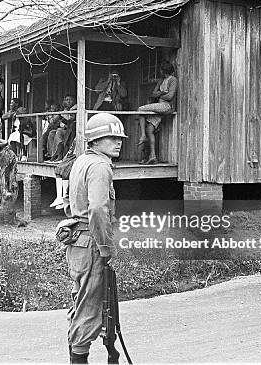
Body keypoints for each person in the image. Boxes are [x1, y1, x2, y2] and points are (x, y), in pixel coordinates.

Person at [64, 112, 126, 363]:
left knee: (82, 302)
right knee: (89, 307)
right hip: (90, 242)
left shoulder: (82, 161)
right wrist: (106, 248)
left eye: (118, 137)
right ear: (95, 140)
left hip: (78, 241)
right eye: (110, 137)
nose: (117, 141)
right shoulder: (100, 166)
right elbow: (98, 210)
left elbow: (70, 202)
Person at [137, 61, 178, 164]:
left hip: (166, 106)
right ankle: (153, 157)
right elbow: (153, 94)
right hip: (159, 105)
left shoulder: (173, 80)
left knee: (140, 109)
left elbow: (170, 96)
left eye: (161, 70)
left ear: (165, 71)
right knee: (150, 129)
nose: (160, 72)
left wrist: (159, 95)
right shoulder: (161, 80)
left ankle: (142, 136)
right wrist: (161, 93)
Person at [49, 95, 77, 162]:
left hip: (72, 131)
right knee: (51, 133)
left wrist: (62, 119)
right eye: (67, 100)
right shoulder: (64, 109)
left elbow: (71, 122)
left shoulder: (75, 108)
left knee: (59, 131)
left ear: (74, 101)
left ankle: (59, 155)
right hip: (65, 129)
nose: (68, 101)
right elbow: (54, 122)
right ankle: (53, 154)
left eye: (70, 100)